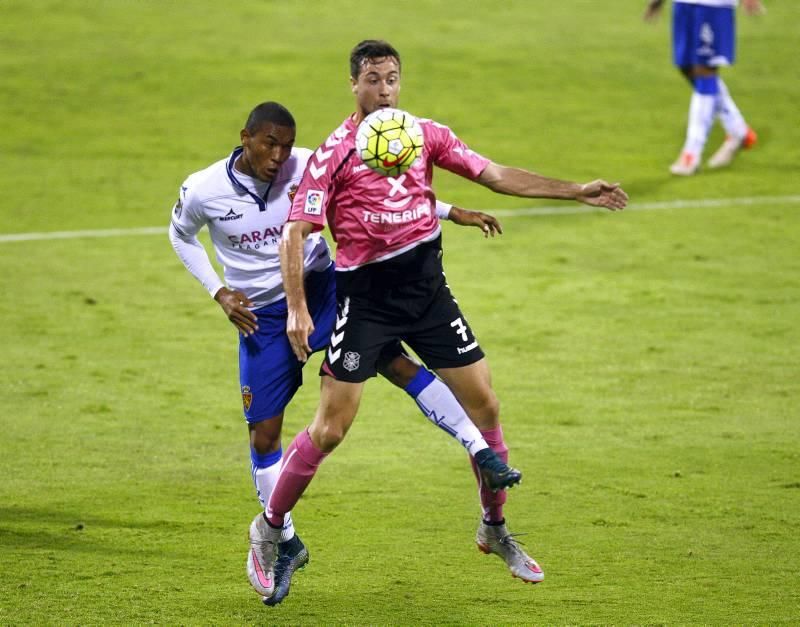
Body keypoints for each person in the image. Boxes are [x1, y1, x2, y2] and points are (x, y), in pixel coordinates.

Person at [254, 40, 628, 598]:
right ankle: (269, 527)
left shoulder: (425, 134)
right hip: (367, 302)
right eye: (373, 79)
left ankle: (495, 527)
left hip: (427, 294)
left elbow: (493, 173)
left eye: (392, 79)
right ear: (353, 85)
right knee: (330, 430)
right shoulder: (334, 153)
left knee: (486, 405)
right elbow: (295, 232)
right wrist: (300, 311)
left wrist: (576, 190)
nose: (384, 90)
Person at [168, 101, 522, 605]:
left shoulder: (308, 164)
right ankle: (281, 538)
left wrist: (450, 211)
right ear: (245, 137)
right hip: (263, 317)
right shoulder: (203, 189)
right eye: (269, 143)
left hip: (325, 289)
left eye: (286, 145)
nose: (279, 155)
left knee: (395, 363)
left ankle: (479, 449)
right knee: (265, 432)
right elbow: (179, 236)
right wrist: (218, 292)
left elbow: (373, 186)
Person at [644, 0, 764, 175]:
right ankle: (739, 131)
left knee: (704, 70)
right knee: (686, 67)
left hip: (712, 6)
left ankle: (691, 154)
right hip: (683, 4)